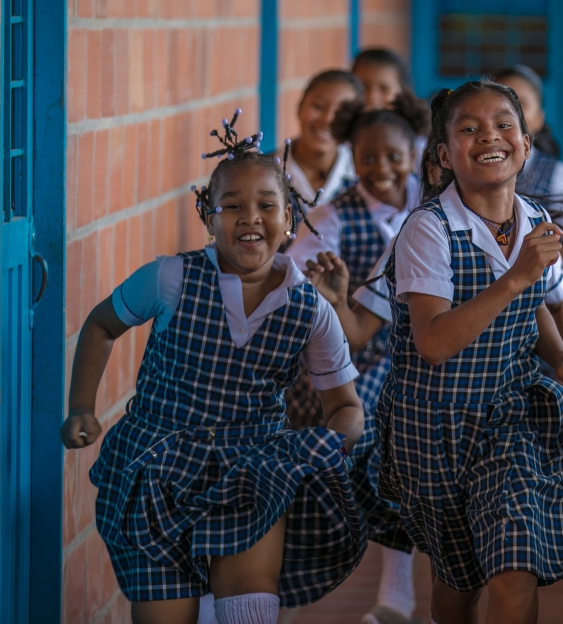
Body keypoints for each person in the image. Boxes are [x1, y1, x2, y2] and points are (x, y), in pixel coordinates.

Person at [60, 111, 367, 624]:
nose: (250, 218)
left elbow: (346, 406)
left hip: (253, 467)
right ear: (208, 218)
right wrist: (80, 408)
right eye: (232, 207)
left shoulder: (311, 309)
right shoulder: (170, 278)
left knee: (248, 599)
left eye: (267, 205)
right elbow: (100, 326)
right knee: (166, 614)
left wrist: (326, 447)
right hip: (156, 465)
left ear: (289, 218)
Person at [376, 80, 563, 624]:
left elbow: (539, 306)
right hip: (434, 428)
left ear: (527, 145)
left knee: (515, 568)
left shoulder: (534, 220)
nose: (488, 136)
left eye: (503, 124)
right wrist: (515, 278)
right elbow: (434, 343)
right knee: (458, 583)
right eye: (468, 128)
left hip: (508, 420)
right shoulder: (427, 228)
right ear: (444, 155)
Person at [284, 92, 431, 624]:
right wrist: (330, 294)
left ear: (414, 151)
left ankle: (398, 594)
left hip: (423, 360)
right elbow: (293, 284)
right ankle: (290, 582)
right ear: (351, 154)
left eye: (393, 156)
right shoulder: (331, 217)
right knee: (352, 459)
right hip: (352, 359)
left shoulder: (432, 207)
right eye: (367, 158)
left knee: (406, 467)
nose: (381, 169)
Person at [493, 65, 563, 273]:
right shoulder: (463, 168)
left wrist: (529, 284)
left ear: (539, 119)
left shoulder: (561, 177)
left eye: (522, 104)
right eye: (501, 101)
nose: (510, 113)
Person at [278, 69, 364, 204]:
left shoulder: (363, 177)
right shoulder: (266, 171)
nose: (327, 119)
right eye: (318, 106)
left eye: (341, 112)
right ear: (300, 107)